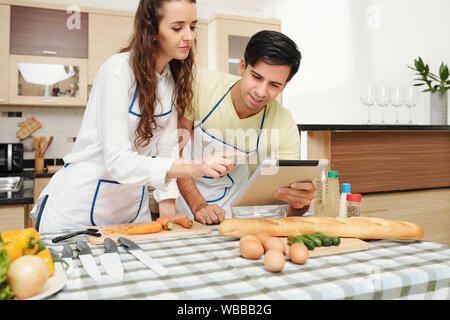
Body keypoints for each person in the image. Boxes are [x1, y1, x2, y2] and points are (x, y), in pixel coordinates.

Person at [30, 0, 236, 232]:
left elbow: (166, 147)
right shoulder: (117, 72)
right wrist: (194, 167)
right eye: (178, 28)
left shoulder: (170, 79)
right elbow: (119, 162)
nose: (189, 36)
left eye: (193, 26)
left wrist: (167, 203)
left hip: (132, 209)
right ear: (152, 30)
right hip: (79, 208)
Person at [176, 30, 316, 224]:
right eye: (257, 77)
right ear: (242, 66)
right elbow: (175, 153)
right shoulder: (201, 85)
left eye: (274, 85)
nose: (261, 92)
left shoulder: (284, 124)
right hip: (186, 208)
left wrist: (300, 203)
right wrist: (199, 206)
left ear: (284, 85)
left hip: (236, 216)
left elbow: (288, 206)